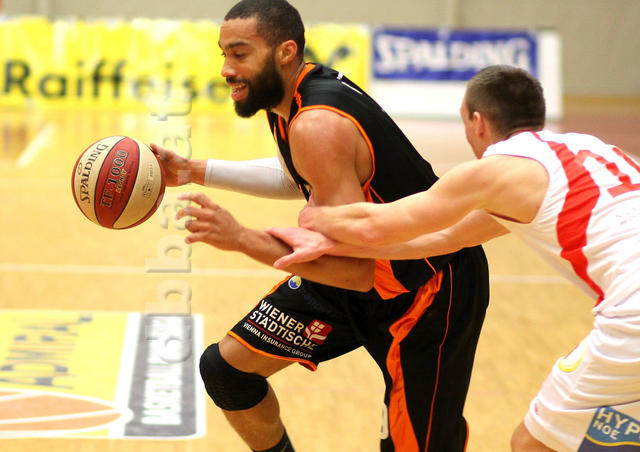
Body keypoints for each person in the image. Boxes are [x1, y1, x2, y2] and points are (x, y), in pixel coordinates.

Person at [152, 1, 490, 451]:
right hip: (357, 271)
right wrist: (195, 170)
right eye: (224, 54)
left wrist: (241, 238)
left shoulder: (317, 122)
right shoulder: (286, 98)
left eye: (240, 53)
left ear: (285, 51)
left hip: (425, 288)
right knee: (227, 370)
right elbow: (298, 176)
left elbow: (356, 271)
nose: (227, 69)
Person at [268, 64, 640, 451]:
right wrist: (336, 246)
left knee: (533, 444)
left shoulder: (496, 170)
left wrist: (317, 219)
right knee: (606, 434)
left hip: (631, 318)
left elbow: (383, 223)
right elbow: (449, 238)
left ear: (477, 122)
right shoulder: (590, 149)